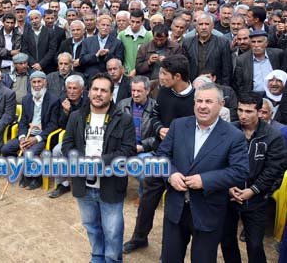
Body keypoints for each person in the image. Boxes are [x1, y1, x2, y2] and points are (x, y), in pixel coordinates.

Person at [159, 82, 249, 263]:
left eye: (208, 101)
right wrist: (171, 174)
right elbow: (161, 156)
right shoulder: (178, 125)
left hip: (208, 211)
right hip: (176, 209)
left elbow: (240, 171)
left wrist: (205, 180)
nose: (202, 106)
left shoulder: (233, 136)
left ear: (221, 104)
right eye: (198, 101)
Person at [123, 55, 196, 254]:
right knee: (147, 202)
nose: (160, 77)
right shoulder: (163, 91)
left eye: (164, 73)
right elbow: (156, 115)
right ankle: (139, 238)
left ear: (177, 76)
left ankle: (172, 250)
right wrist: (159, 129)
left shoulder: (196, 99)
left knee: (176, 210)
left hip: (183, 163)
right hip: (160, 156)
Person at [62, 72, 136, 263]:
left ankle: (112, 260)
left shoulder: (123, 118)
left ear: (111, 95)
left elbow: (128, 150)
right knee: (91, 227)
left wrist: (101, 161)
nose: (98, 94)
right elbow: (67, 146)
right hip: (83, 184)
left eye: (104, 90)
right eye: (95, 89)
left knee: (112, 231)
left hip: (111, 184)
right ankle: (97, 257)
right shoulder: (76, 117)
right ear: (88, 92)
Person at [221, 93, 287, 263]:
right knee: (227, 240)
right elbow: (219, 162)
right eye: (240, 110)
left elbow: (274, 169)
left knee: (255, 244)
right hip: (229, 195)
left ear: (259, 112)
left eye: (249, 111)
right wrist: (228, 187)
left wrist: (254, 190)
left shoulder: (273, 136)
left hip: (256, 199)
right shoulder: (228, 130)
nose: (243, 115)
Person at [1, 71, 60, 189]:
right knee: (6, 149)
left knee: (30, 153)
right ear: (30, 83)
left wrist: (36, 139)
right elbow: (22, 121)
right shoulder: (26, 99)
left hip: (43, 137)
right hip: (27, 134)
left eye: (39, 82)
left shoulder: (54, 100)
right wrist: (22, 137)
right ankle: (24, 171)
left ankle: (36, 177)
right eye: (34, 82)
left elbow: (53, 125)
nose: (37, 85)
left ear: (45, 82)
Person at [116, 76, 156, 198]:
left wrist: (142, 146)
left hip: (144, 149)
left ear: (147, 91)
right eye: (133, 90)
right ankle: (116, 192)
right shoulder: (123, 104)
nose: (135, 94)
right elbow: (114, 128)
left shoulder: (155, 107)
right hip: (124, 147)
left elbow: (158, 136)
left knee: (143, 171)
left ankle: (142, 196)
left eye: (139, 91)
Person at [48, 74, 87, 198]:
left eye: (75, 88)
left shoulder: (88, 101)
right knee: (57, 150)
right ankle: (63, 184)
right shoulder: (62, 100)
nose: (71, 91)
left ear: (82, 90)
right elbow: (61, 125)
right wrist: (65, 112)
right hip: (71, 138)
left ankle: (87, 182)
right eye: (69, 88)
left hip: (88, 138)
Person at [80, 14, 124, 80]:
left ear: (111, 28)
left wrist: (108, 54)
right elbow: (82, 60)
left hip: (109, 77)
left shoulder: (117, 43)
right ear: (97, 26)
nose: (105, 27)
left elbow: (119, 61)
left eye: (108, 25)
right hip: (91, 77)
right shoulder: (87, 41)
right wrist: (96, 55)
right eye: (103, 25)